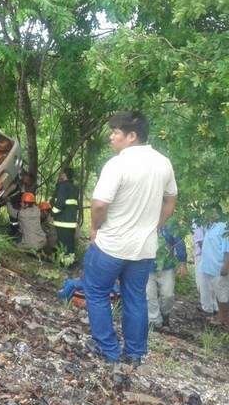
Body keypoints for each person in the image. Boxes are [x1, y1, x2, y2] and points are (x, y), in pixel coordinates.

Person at [83, 111, 177, 367]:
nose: (111, 137)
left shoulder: (118, 164)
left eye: (116, 133)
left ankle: (109, 350)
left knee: (96, 292)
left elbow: (100, 204)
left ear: (132, 136)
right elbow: (171, 199)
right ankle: (135, 354)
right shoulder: (163, 163)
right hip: (143, 249)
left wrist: (94, 228)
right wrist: (156, 225)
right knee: (135, 298)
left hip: (111, 245)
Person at [146, 224, 187, 329]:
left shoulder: (170, 226)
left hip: (167, 267)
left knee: (168, 295)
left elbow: (179, 242)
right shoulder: (144, 223)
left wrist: (182, 262)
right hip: (147, 267)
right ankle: (154, 322)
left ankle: (165, 315)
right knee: (150, 295)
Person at [198, 210, 229, 327]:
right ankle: (221, 316)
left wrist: (226, 266)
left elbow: (227, 249)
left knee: (223, 295)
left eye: (210, 212)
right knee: (218, 294)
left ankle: (224, 319)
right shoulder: (209, 227)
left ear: (217, 213)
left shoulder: (224, 227)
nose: (206, 215)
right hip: (208, 268)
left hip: (219, 268)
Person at [51, 167, 79, 255]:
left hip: (62, 222)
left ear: (64, 175)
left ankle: (63, 265)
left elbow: (60, 203)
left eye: (61, 173)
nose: (60, 175)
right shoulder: (74, 187)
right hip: (71, 222)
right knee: (70, 245)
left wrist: (52, 213)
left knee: (62, 246)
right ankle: (70, 262)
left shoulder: (63, 186)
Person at [192, 223, 217, 315]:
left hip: (206, 255)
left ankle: (209, 309)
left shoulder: (216, 223)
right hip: (204, 255)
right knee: (205, 283)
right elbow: (199, 241)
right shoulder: (198, 221)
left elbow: (200, 241)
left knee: (203, 283)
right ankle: (211, 307)